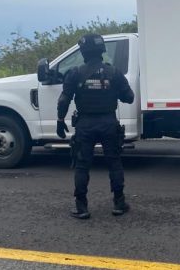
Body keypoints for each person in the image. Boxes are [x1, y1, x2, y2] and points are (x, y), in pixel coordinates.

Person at [56, 33, 135, 219]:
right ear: (102, 50)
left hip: (85, 124)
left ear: (83, 52)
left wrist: (60, 121)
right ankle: (119, 203)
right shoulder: (114, 72)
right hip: (108, 123)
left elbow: (63, 100)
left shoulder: (75, 73)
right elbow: (129, 97)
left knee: (82, 165)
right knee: (114, 162)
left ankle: (81, 207)